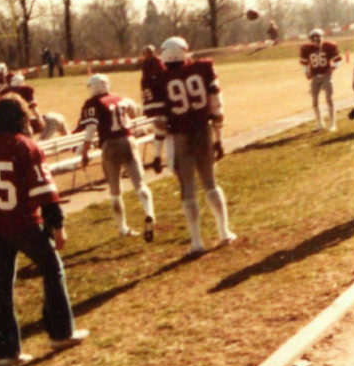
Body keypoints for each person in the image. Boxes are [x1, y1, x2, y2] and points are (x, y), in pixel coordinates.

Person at [0, 95, 88, 366]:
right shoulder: (25, 147)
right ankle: (61, 333)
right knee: (53, 269)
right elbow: (45, 192)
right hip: (24, 222)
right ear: (21, 118)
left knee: (2, 285)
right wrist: (57, 225)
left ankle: (5, 353)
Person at [149, 37, 237, 257]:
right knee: (210, 183)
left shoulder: (158, 77)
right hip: (202, 130)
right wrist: (219, 138)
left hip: (179, 136)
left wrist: (157, 153)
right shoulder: (203, 68)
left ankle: (197, 242)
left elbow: (159, 121)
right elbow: (216, 106)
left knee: (187, 189)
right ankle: (224, 231)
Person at [79, 74, 156, 241]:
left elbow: (91, 129)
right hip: (128, 140)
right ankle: (149, 212)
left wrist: (85, 152)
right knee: (140, 183)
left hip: (110, 144)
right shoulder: (119, 98)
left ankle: (122, 228)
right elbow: (132, 111)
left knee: (115, 191)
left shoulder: (92, 103)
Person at [0, 73, 69, 141]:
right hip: (24, 124)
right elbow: (33, 108)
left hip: (14, 126)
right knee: (54, 119)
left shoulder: (5, 93)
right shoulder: (25, 91)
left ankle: (68, 141)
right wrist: (39, 118)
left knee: (55, 119)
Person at [299, 28, 341, 132]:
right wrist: (306, 72)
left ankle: (332, 123)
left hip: (326, 75)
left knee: (329, 98)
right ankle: (320, 123)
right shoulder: (306, 48)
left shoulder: (329, 46)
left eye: (318, 39)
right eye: (314, 40)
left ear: (322, 37)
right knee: (314, 100)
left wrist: (332, 68)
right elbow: (304, 64)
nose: (317, 42)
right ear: (311, 40)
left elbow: (337, 61)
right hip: (315, 76)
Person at [140, 45, 167, 173]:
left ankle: (158, 157)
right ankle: (158, 157)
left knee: (159, 131)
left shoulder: (156, 63)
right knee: (161, 130)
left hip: (153, 102)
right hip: (156, 102)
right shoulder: (147, 65)